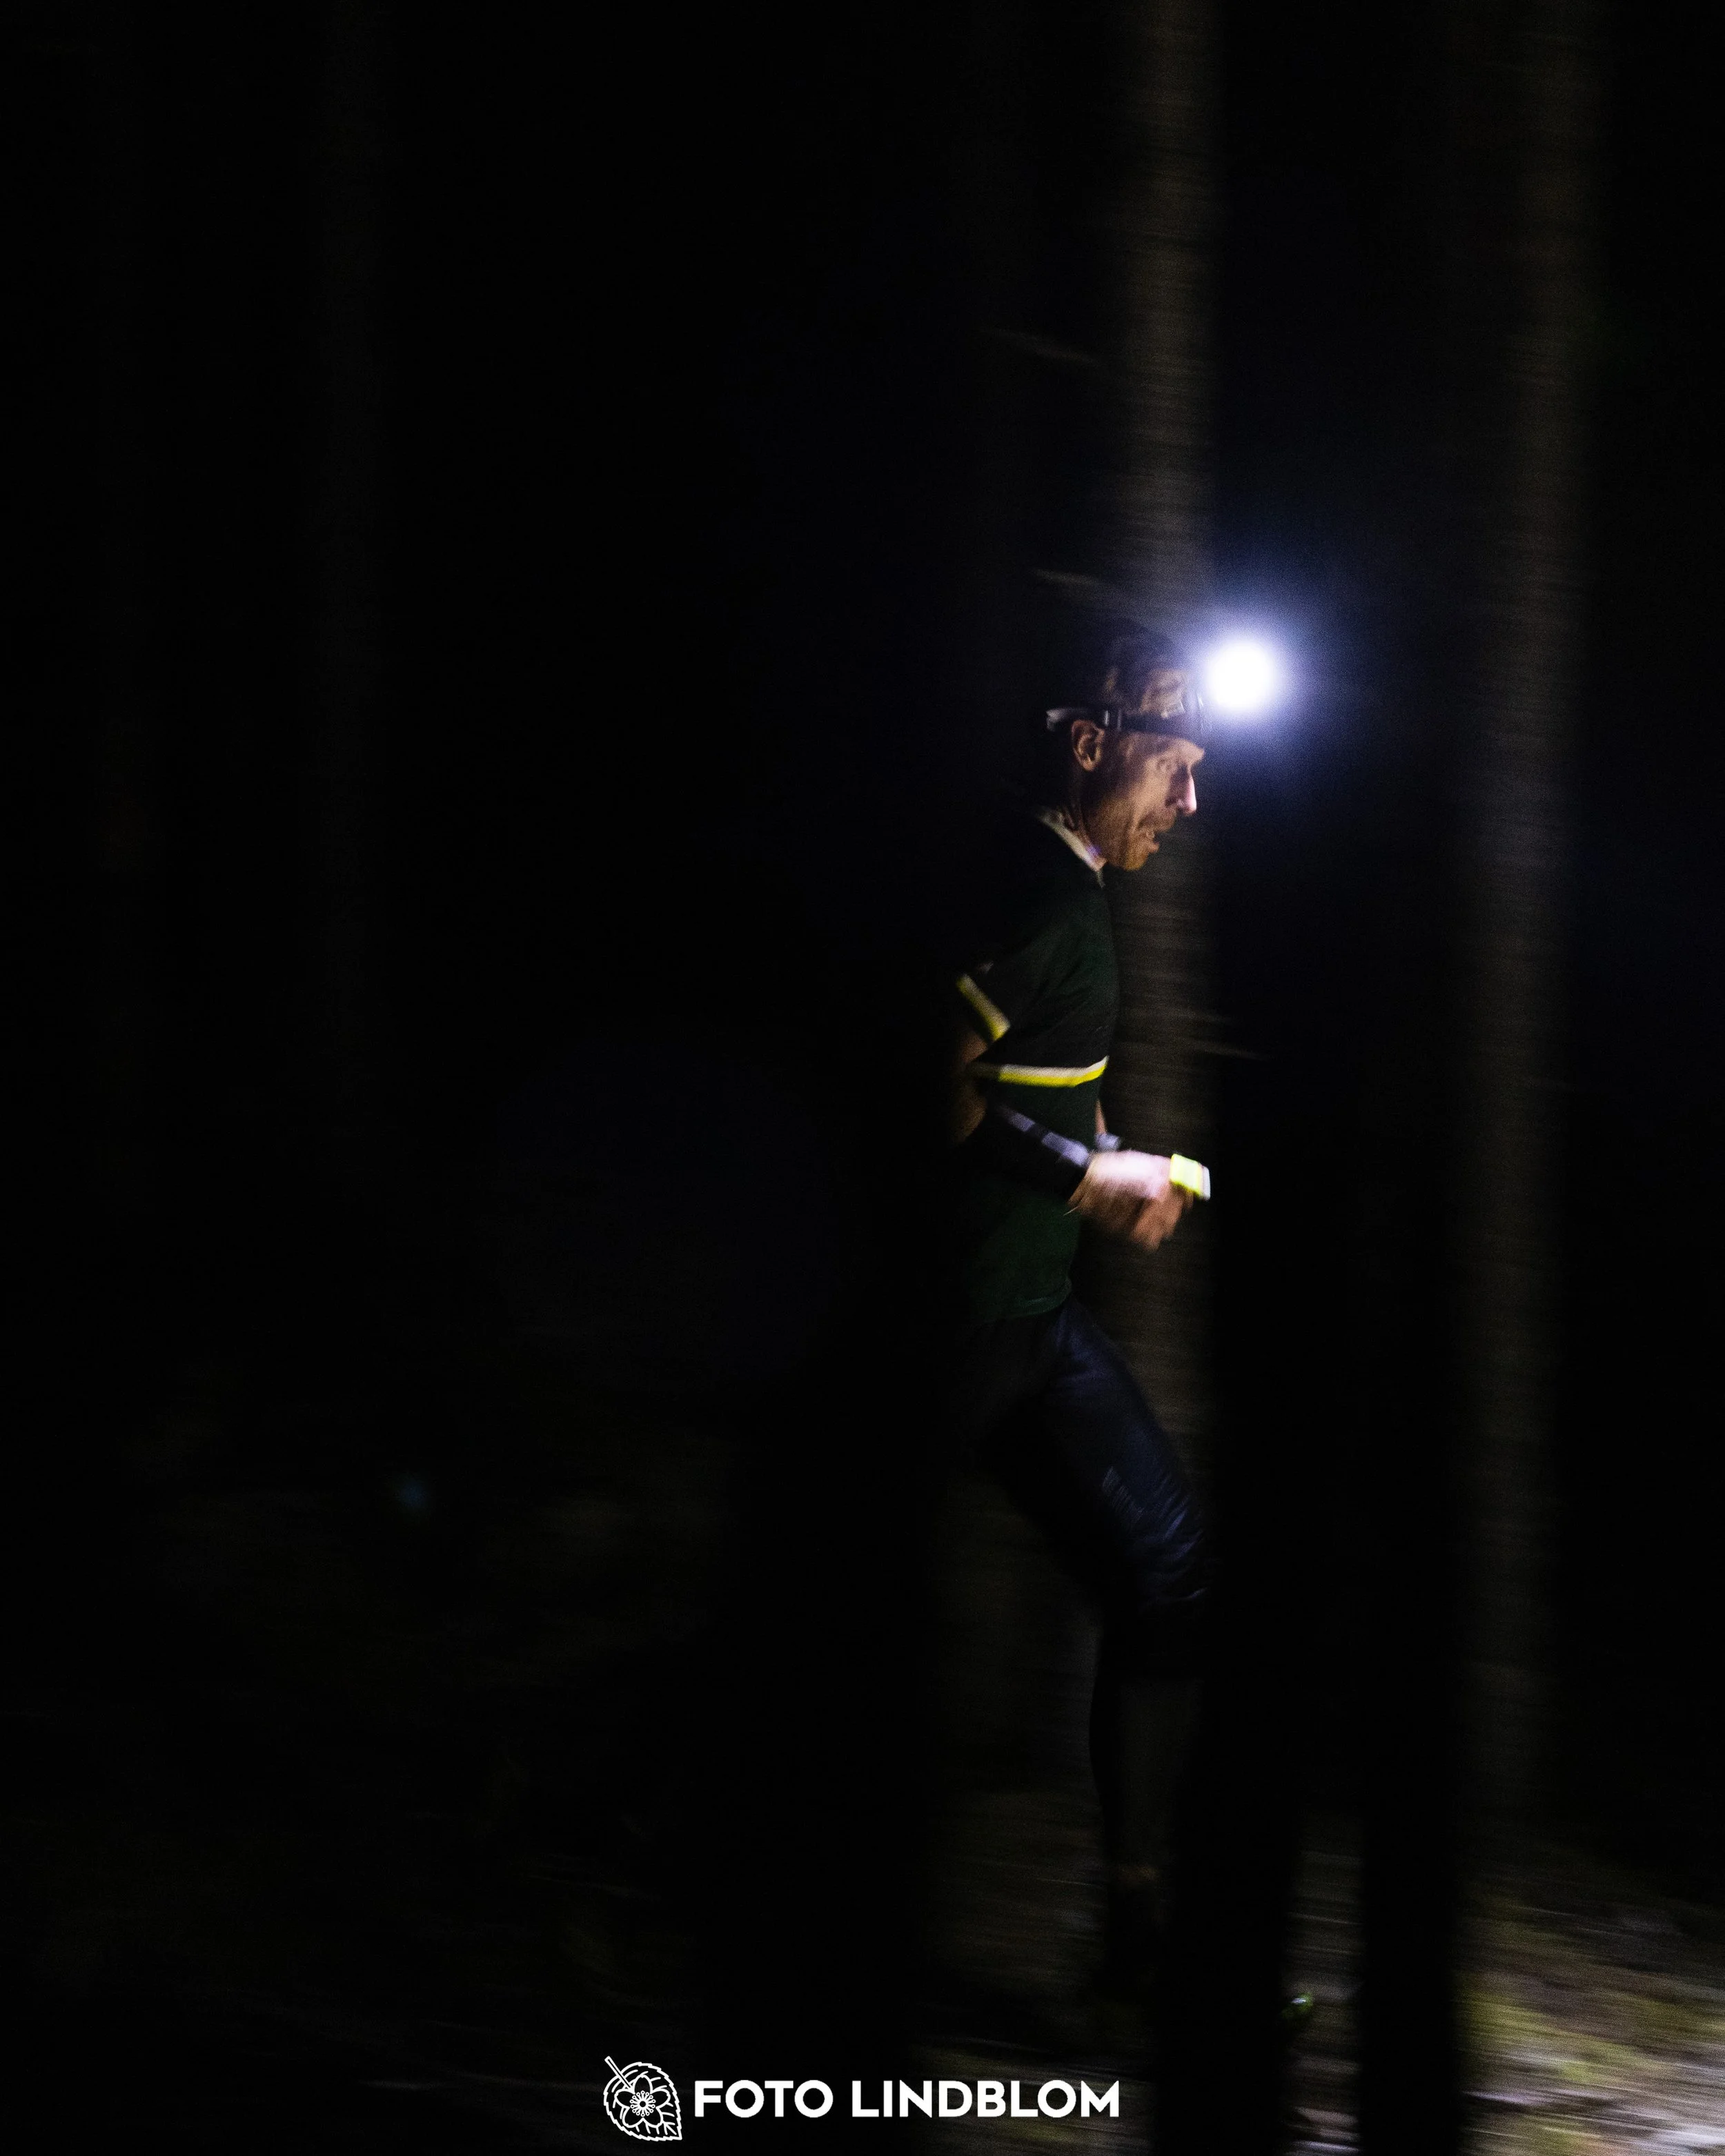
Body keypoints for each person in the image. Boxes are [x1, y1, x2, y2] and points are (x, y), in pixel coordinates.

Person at [948, 622, 1210, 2019]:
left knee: (1168, 1575)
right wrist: (1081, 1173)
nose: (1189, 804)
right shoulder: (1027, 890)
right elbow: (936, 1088)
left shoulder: (1076, 889)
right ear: (1092, 744)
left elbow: (1041, 1069)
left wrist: (1106, 1137)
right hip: (953, 1332)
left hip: (1030, 1318)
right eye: (1175, 767)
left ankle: (1133, 1941)